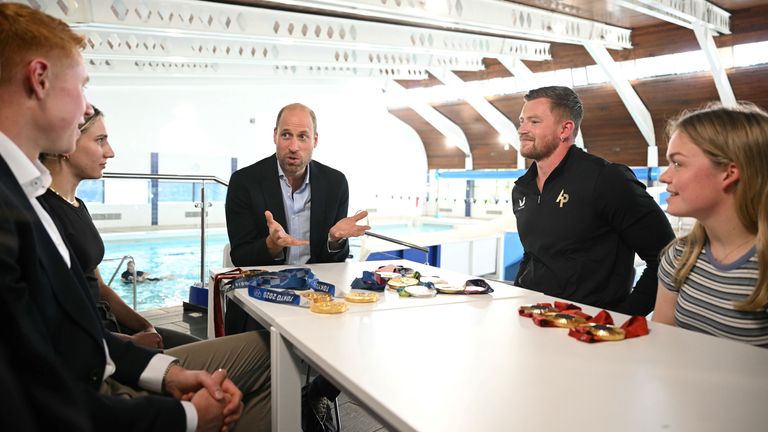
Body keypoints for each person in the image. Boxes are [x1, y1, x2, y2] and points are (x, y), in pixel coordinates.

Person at [0, 4, 269, 431]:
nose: (85, 104)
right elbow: (37, 396)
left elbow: (74, 334)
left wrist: (168, 373)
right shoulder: (9, 210)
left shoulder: (25, 194)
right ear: (40, 79)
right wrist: (188, 416)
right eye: (82, 87)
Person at [225, 102, 369, 431]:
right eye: (286, 135)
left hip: (316, 291)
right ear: (274, 137)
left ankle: (316, 392)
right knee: (262, 364)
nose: (293, 146)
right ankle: (273, 400)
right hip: (264, 292)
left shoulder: (335, 183)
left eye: (302, 136)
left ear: (315, 140)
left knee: (359, 335)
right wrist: (271, 246)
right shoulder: (245, 182)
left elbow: (333, 261)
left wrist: (334, 239)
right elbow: (241, 256)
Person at [40, 106, 198, 350]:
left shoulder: (76, 205)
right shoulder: (44, 214)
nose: (110, 152)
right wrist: (131, 343)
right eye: (100, 140)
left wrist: (145, 326)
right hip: (97, 346)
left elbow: (99, 287)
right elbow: (58, 323)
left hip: (111, 330)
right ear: (67, 144)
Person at [512, 86, 674, 316]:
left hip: (587, 332)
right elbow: (532, 254)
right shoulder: (522, 189)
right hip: (533, 320)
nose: (522, 129)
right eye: (522, 121)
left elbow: (666, 257)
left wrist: (623, 317)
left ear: (565, 129)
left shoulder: (606, 180)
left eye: (534, 122)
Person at [653, 102, 768, 348]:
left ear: (728, 172)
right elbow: (662, 346)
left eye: (678, 163)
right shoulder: (681, 256)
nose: (665, 176)